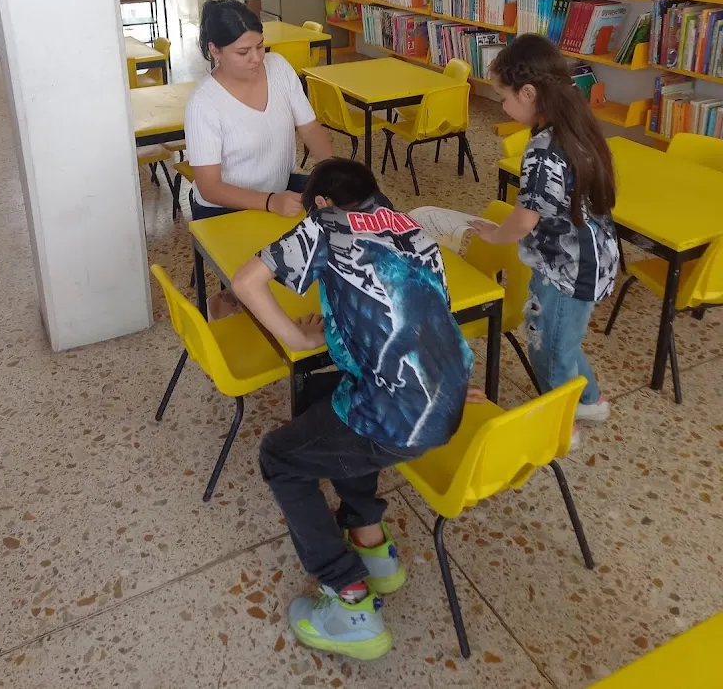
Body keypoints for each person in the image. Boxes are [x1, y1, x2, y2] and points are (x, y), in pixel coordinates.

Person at [231, 158, 475, 661]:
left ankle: (349, 598)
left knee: (279, 458)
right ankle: (369, 540)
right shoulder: (410, 228)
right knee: (324, 399)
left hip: (396, 419)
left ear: (319, 203)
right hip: (443, 401)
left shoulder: (325, 225)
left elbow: (246, 283)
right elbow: (415, 315)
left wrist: (298, 335)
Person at [469, 34, 619, 436]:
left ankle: (559, 428)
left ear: (529, 92)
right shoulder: (576, 122)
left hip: (568, 270)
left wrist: (496, 235)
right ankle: (589, 402)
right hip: (590, 256)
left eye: (504, 97)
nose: (501, 105)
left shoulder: (542, 150)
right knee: (560, 339)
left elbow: (525, 218)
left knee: (549, 351)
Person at [185, 0, 333, 222]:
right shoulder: (203, 104)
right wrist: (270, 201)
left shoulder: (279, 67)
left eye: (260, 46)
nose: (256, 58)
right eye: (243, 52)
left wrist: (335, 172)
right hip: (224, 209)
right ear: (215, 50)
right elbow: (210, 188)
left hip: (280, 189)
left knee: (352, 204)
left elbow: (310, 128)